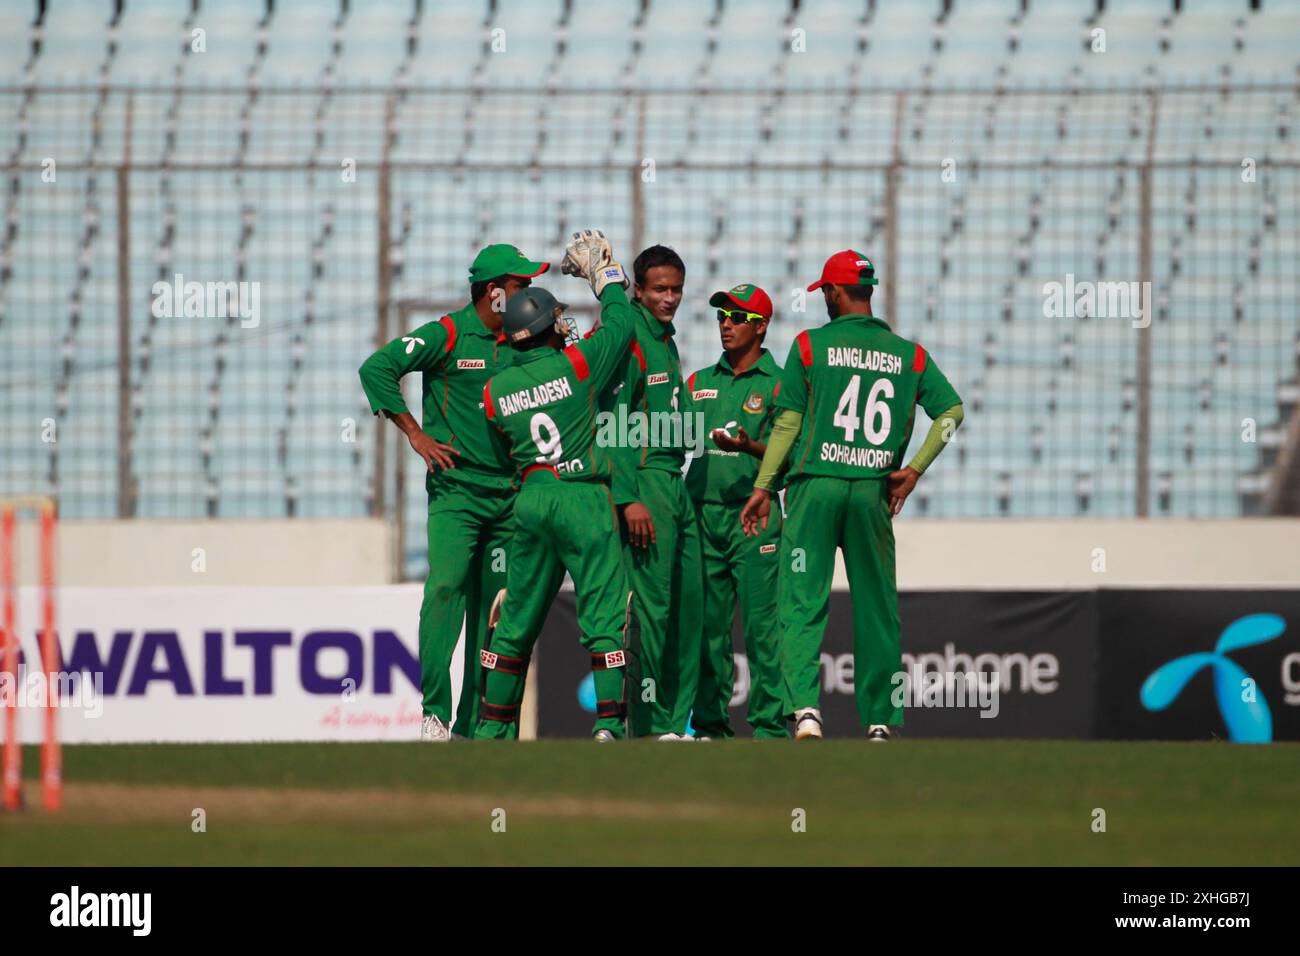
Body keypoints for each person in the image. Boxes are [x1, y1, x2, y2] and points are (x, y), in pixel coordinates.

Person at [741, 251, 965, 741]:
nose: (823, 298)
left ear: (835, 293)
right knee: (877, 606)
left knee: (800, 602)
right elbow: (951, 411)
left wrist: (763, 486)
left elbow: (788, 423)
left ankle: (804, 711)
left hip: (813, 490)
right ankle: (881, 720)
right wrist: (914, 471)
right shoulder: (911, 355)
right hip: (871, 492)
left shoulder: (808, 348)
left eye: (825, 291)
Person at [358, 244, 549, 741]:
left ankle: (476, 725)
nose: (527, 292)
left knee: (496, 610)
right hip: (457, 495)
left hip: (510, 498)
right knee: (444, 589)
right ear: (495, 293)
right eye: (520, 285)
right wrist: (416, 435)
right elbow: (376, 368)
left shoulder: (525, 339)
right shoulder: (446, 333)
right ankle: (435, 715)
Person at [473, 230, 636, 740]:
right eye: (558, 319)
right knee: (605, 616)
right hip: (583, 494)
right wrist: (605, 277)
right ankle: (608, 726)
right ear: (545, 329)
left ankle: (490, 733)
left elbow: (504, 445)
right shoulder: (578, 364)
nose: (565, 323)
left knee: (516, 622)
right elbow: (623, 324)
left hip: (533, 496)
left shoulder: (495, 389)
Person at [684, 283, 788, 740]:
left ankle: (768, 729)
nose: (726, 323)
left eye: (738, 317)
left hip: (755, 517)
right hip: (702, 515)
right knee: (708, 631)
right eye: (722, 314)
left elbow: (794, 456)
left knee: (764, 630)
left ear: (762, 326)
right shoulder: (698, 382)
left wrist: (751, 447)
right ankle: (709, 727)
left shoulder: (783, 384)